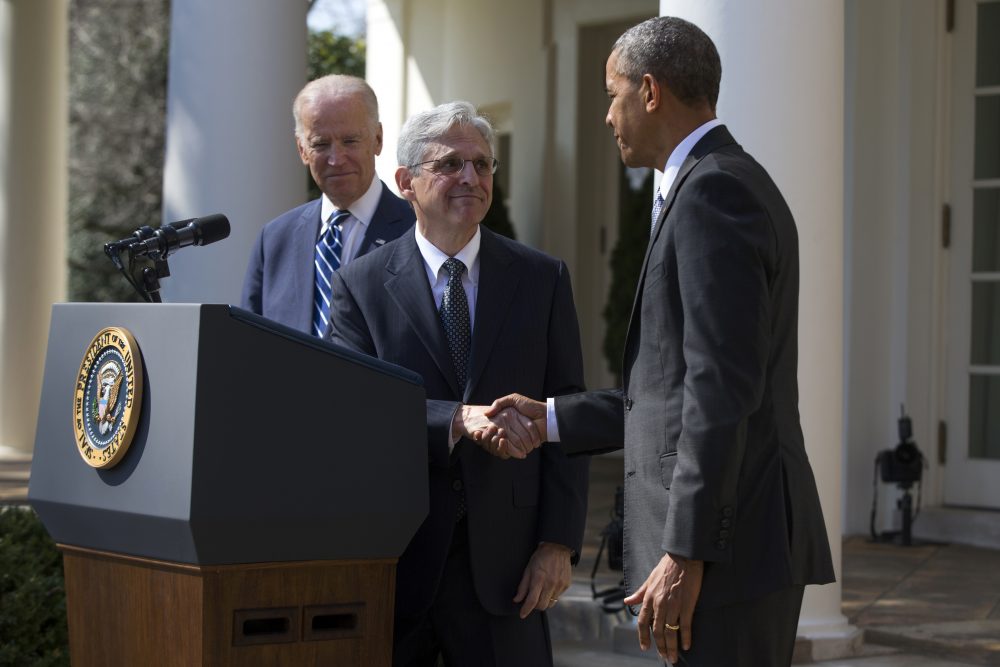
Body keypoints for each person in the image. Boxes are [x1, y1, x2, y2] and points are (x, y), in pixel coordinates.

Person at [483, 16, 835, 666]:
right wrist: (555, 416)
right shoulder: (715, 183)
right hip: (734, 549)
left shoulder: (713, 192)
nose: (609, 116)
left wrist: (687, 550)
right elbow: (672, 392)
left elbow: (720, 388)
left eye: (612, 95)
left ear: (650, 91)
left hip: (729, 556)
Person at [327, 101, 589, 667]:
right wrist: (455, 418)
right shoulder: (361, 285)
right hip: (401, 563)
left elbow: (567, 413)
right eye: (450, 164)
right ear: (405, 182)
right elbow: (351, 411)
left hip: (512, 571)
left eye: (483, 164)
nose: (471, 177)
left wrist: (559, 543)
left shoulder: (543, 278)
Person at [241, 74, 415, 336]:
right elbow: (246, 344)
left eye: (350, 141)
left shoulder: (419, 233)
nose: (336, 159)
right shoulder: (275, 239)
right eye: (321, 144)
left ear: (377, 139)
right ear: (302, 150)